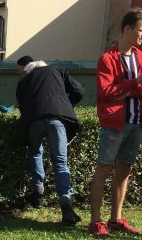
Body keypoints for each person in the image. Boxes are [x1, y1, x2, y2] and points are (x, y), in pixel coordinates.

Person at [88, 8, 142, 237]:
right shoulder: (107, 59)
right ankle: (96, 222)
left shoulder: (141, 57)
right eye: (141, 30)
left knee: (124, 171)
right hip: (114, 124)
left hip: (136, 123)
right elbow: (106, 92)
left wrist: (129, 90)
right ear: (128, 29)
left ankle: (116, 219)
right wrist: (136, 82)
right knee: (103, 170)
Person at [15, 59, 84, 225]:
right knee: (60, 162)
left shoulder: (24, 80)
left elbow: (21, 106)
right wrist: (65, 104)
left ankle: (38, 187)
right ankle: (65, 201)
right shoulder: (58, 71)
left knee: (35, 152)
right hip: (57, 119)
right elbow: (79, 91)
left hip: (34, 121)